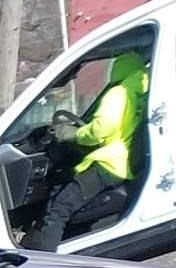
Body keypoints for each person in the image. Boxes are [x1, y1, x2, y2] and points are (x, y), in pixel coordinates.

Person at [30, 49, 150, 251]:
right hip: (127, 162)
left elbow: (100, 130)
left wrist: (73, 134)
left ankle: (44, 262)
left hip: (108, 162)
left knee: (58, 209)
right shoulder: (143, 90)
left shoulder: (119, 93)